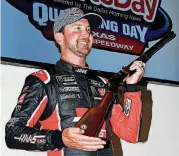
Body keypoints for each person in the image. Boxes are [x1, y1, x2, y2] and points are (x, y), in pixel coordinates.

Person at [5, 7, 145, 156]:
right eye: (77, 28)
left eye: (88, 29)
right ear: (59, 37)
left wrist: (131, 87)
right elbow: (13, 134)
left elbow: (129, 134)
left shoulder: (104, 84)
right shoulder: (44, 80)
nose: (86, 34)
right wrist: (60, 139)